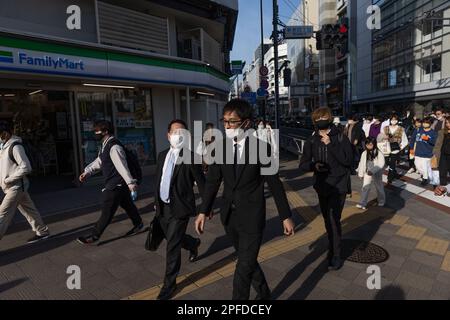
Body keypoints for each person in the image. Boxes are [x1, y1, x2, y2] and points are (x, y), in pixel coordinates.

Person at [195, 99, 295, 300]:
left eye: (232, 122)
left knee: (242, 270)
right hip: (229, 217)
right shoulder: (219, 148)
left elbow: (275, 185)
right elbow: (213, 182)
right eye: (224, 121)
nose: (227, 126)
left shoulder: (262, 148)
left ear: (246, 123)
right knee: (246, 260)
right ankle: (265, 294)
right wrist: (203, 211)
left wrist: (286, 215)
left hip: (252, 217)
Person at [154, 119, 205, 300]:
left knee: (172, 247)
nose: (178, 136)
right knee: (172, 238)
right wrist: (156, 202)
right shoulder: (161, 155)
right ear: (168, 136)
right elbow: (160, 180)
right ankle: (192, 244)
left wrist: (205, 209)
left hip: (181, 208)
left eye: (182, 133)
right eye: (175, 133)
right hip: (162, 206)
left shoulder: (191, 157)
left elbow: (202, 183)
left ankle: (169, 285)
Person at [299, 107, 353, 271]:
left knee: (333, 220)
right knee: (327, 220)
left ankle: (336, 254)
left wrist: (331, 145)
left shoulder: (340, 137)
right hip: (322, 185)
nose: (321, 120)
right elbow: (303, 164)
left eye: (324, 117)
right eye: (317, 118)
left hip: (339, 185)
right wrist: (313, 165)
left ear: (329, 118)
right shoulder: (312, 140)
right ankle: (333, 246)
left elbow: (348, 160)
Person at [77, 120, 143, 245]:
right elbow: (100, 161)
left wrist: (131, 184)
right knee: (128, 205)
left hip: (116, 184)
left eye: (97, 131)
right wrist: (88, 172)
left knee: (107, 211)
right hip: (118, 184)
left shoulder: (114, 147)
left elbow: (122, 166)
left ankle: (94, 236)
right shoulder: (105, 145)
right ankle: (138, 223)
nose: (95, 133)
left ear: (106, 131)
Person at [0, 120, 50, 243]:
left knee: (2, 214)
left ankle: (42, 231)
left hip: (15, 187)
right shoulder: (4, 147)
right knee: (29, 210)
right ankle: (42, 231)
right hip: (14, 187)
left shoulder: (15, 147)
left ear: (5, 134)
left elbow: (26, 167)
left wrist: (8, 179)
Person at [356, 137, 386, 210]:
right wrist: (361, 173)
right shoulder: (364, 153)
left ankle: (381, 200)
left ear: (374, 144)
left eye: (370, 144)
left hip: (376, 172)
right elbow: (362, 163)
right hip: (367, 172)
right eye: (367, 144)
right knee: (365, 187)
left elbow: (381, 163)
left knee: (379, 186)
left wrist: (372, 171)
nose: (368, 146)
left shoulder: (378, 152)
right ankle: (362, 203)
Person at [378, 114, 408, 184]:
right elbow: (380, 137)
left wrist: (401, 147)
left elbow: (405, 140)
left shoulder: (401, 129)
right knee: (386, 162)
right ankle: (394, 172)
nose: (393, 121)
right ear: (390, 120)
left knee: (392, 164)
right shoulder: (385, 128)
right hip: (386, 149)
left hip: (395, 150)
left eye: (395, 120)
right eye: (392, 119)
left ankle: (390, 178)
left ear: (397, 120)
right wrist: (383, 138)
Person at [410, 117, 437, 186]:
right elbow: (412, 139)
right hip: (418, 152)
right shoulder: (419, 130)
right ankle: (428, 176)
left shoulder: (433, 132)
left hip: (427, 153)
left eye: (427, 123)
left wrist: (427, 138)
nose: (424, 124)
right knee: (418, 166)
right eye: (424, 122)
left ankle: (425, 179)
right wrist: (411, 148)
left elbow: (435, 142)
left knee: (425, 167)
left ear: (430, 124)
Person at [434, 116, 450, 196]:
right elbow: (438, 144)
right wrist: (434, 154)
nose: (447, 124)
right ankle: (442, 189)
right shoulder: (443, 132)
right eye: (446, 122)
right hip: (443, 154)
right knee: (442, 171)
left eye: (449, 122)